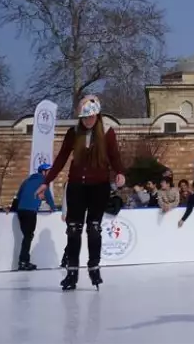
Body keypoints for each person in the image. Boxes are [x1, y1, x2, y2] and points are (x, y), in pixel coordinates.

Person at [34, 95, 126, 291]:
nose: (88, 121)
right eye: (84, 118)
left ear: (97, 115)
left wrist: (120, 173)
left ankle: (94, 267)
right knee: (73, 229)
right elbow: (60, 159)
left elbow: (114, 156)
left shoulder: (107, 132)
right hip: (76, 186)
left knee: (94, 228)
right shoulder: (73, 133)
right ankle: (72, 272)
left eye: (91, 117)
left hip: (98, 186)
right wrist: (46, 182)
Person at [11, 162, 56, 270]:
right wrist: (53, 207)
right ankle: (23, 262)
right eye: (49, 172)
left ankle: (24, 260)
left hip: (21, 210)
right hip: (30, 211)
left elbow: (18, 195)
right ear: (43, 172)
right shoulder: (44, 181)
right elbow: (48, 195)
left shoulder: (27, 181)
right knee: (28, 236)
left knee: (26, 236)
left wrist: (13, 209)